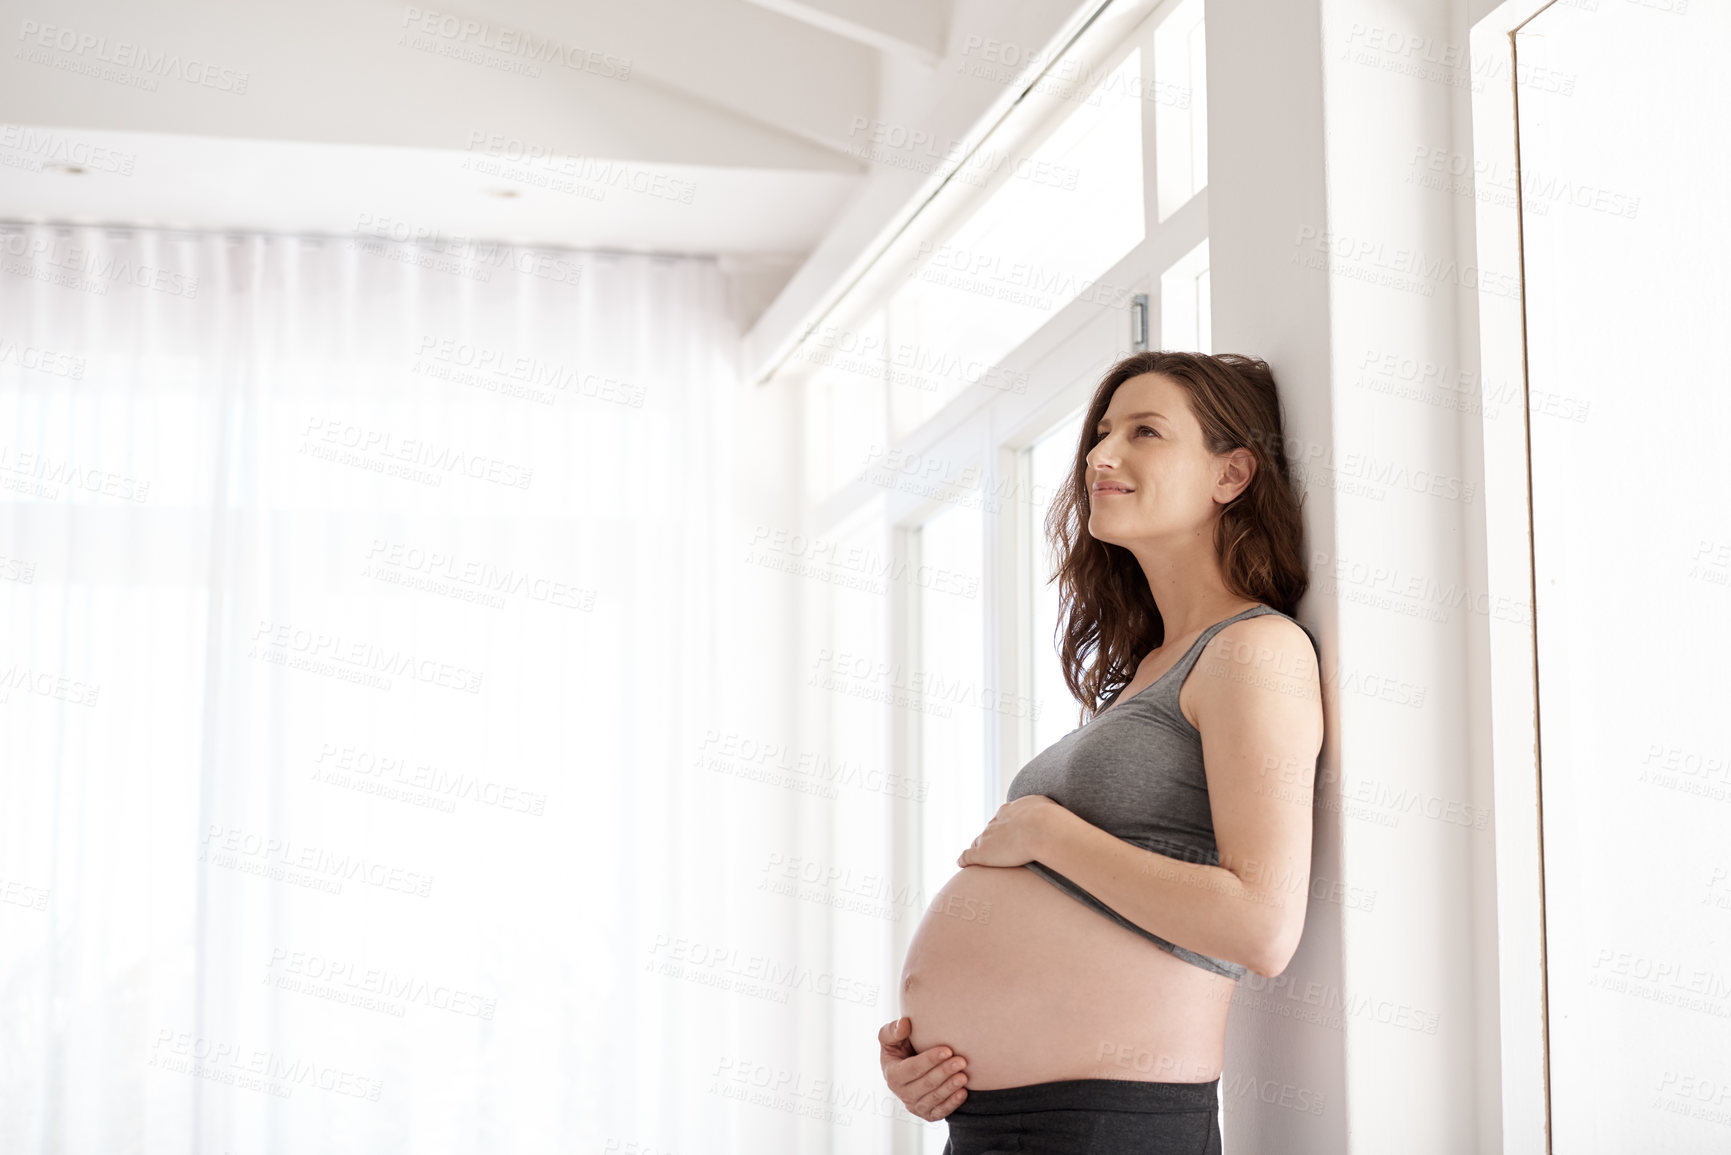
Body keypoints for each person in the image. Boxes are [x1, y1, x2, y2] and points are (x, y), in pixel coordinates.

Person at [877, 351, 1325, 1153]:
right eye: (1102, 431)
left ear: (1231, 474)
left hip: (1104, 1127)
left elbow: (1262, 924)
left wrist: (1047, 833)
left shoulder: (1254, 651)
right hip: (994, 1124)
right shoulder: (1147, 669)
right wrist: (928, 1059)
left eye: (1144, 430)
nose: (1099, 453)